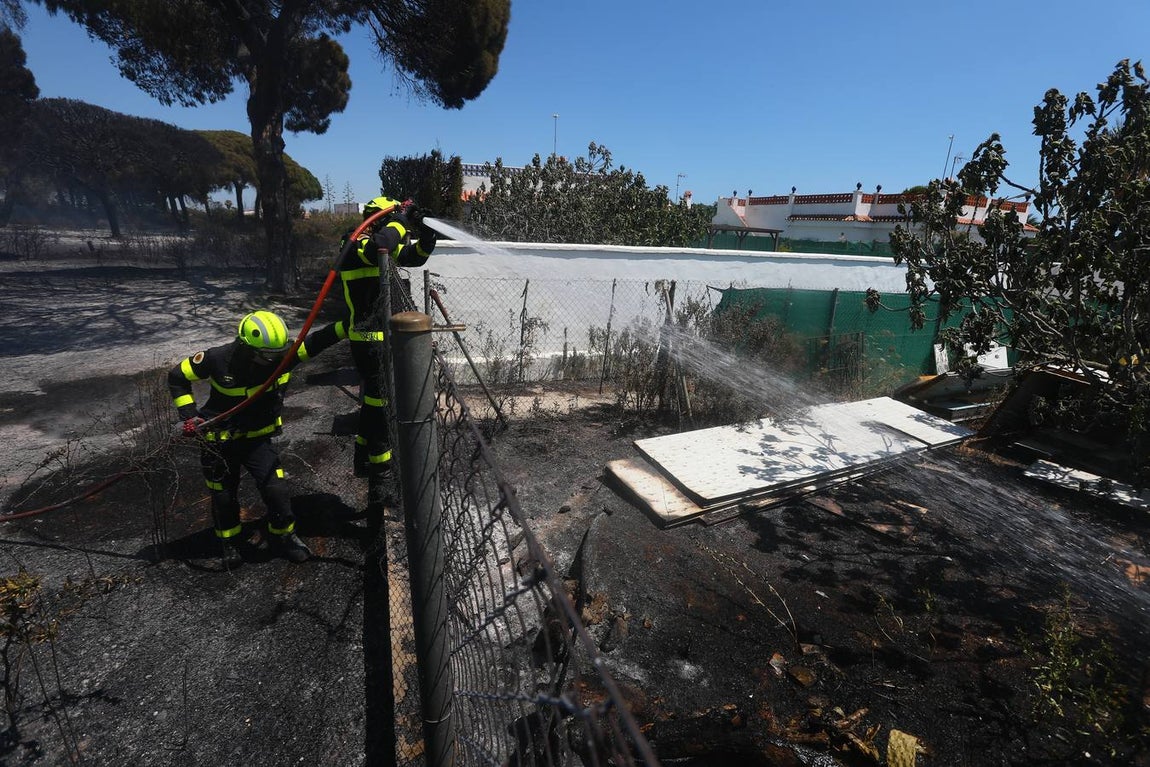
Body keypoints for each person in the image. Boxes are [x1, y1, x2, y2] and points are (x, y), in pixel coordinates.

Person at [169, 310, 341, 567]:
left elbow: (316, 341)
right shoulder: (217, 358)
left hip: (257, 441)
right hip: (218, 442)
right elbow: (177, 377)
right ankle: (230, 541)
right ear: (245, 346)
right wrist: (189, 415)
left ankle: (284, 537)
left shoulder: (282, 357)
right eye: (267, 356)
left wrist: (348, 323)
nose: (274, 360)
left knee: (276, 490)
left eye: (277, 354)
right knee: (223, 496)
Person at [331, 196, 437, 503]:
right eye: (390, 218)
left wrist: (427, 234)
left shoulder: (380, 245)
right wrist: (401, 220)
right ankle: (382, 479)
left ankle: (364, 458)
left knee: (375, 406)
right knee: (380, 409)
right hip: (368, 342)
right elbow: (385, 243)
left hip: (382, 340)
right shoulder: (353, 245)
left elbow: (413, 256)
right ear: (377, 219)